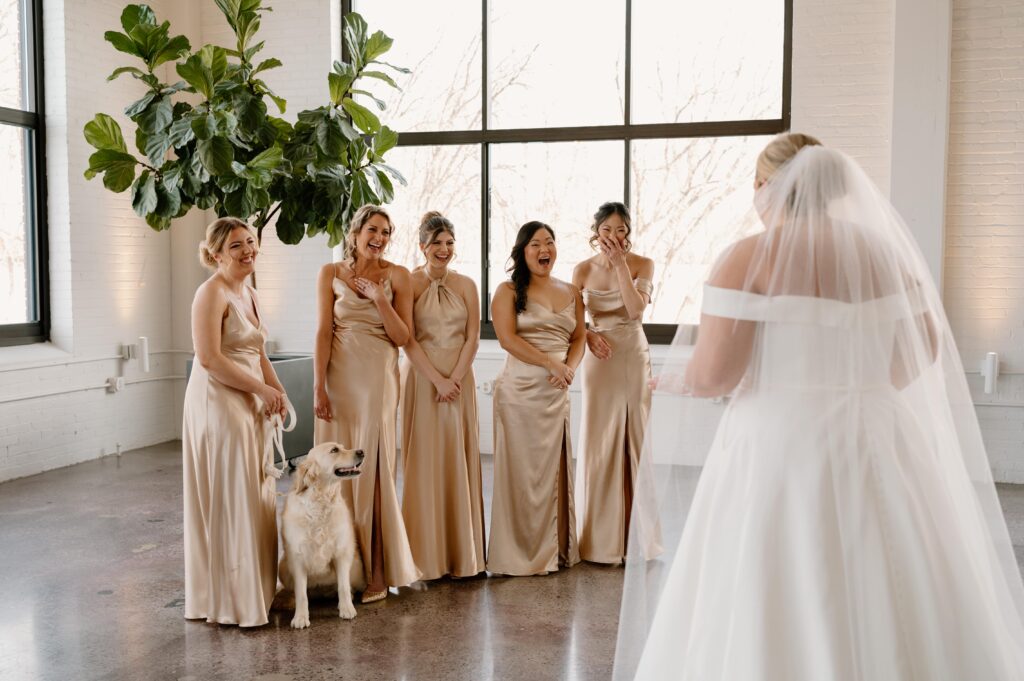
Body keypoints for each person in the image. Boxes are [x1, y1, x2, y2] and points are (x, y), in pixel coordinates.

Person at [614, 134, 1024, 680]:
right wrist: (860, 386)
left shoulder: (745, 257)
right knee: (892, 572)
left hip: (776, 442)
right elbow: (924, 348)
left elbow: (717, 373)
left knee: (767, 576)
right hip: (874, 432)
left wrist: (668, 381)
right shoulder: (881, 252)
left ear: (765, 188)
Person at [182, 217, 287, 627]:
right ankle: (229, 600)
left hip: (250, 399)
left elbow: (259, 352)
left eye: (250, 242)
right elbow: (209, 359)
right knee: (232, 492)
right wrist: (260, 391)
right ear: (215, 255)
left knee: (255, 491)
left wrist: (277, 391)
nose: (247, 251)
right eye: (236, 247)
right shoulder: (210, 294)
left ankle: (257, 590)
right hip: (218, 401)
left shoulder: (251, 292)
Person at [313, 205, 420, 603]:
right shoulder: (331, 273)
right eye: (373, 229)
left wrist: (379, 298)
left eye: (387, 232)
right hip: (338, 379)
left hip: (377, 378)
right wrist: (318, 387)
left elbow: (401, 337)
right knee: (334, 470)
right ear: (355, 231)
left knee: (372, 467)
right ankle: (331, 569)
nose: (380, 237)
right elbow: (324, 331)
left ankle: (376, 569)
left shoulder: (399, 276)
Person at [488, 221, 586, 576]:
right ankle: (517, 554)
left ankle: (555, 550)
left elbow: (579, 338)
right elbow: (507, 339)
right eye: (535, 244)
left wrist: (569, 369)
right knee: (521, 475)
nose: (544, 249)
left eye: (549, 242)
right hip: (519, 393)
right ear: (522, 251)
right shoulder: (507, 290)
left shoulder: (572, 291)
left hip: (556, 393)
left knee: (553, 473)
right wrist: (549, 363)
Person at [400, 211, 486, 580]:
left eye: (449, 243)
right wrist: (436, 379)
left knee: (457, 456)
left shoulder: (467, 284)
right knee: (426, 460)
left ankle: (463, 556)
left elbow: (473, 336)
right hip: (423, 379)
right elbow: (407, 338)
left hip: (459, 379)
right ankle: (426, 559)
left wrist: (455, 377)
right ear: (422, 246)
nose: (444, 249)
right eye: (437, 243)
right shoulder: (409, 282)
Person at [573, 202, 655, 564]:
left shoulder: (642, 264)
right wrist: (589, 334)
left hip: (631, 355)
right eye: (607, 230)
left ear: (628, 232)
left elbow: (636, 310)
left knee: (633, 434)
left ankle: (637, 538)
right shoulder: (581, 269)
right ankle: (598, 538)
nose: (614, 236)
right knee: (599, 437)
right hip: (598, 358)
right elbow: (571, 320)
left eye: (621, 229)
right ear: (596, 233)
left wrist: (621, 265)